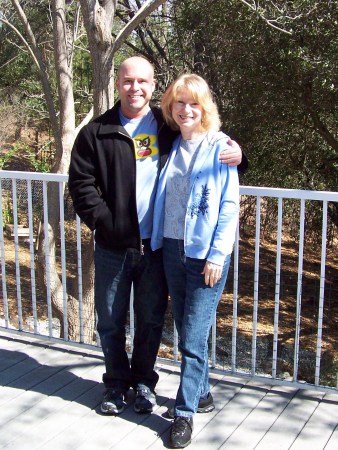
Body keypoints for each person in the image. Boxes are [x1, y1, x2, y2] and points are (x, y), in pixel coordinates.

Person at [68, 56, 244, 417]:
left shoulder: (166, 127)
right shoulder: (96, 132)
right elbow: (82, 185)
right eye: (128, 81)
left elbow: (208, 140)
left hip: (156, 247)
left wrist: (241, 155)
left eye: (143, 81)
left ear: (153, 86)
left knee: (149, 320)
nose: (135, 88)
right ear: (118, 84)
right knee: (110, 320)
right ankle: (116, 385)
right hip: (113, 247)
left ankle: (145, 383)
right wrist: (106, 223)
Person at [151, 74, 240, 448]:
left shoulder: (220, 147)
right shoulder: (170, 146)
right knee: (186, 331)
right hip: (172, 249)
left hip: (205, 257)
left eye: (194, 103)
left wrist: (219, 255)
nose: (186, 110)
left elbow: (230, 207)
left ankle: (184, 414)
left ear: (204, 109)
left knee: (193, 336)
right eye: (179, 102)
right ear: (171, 107)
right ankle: (201, 394)